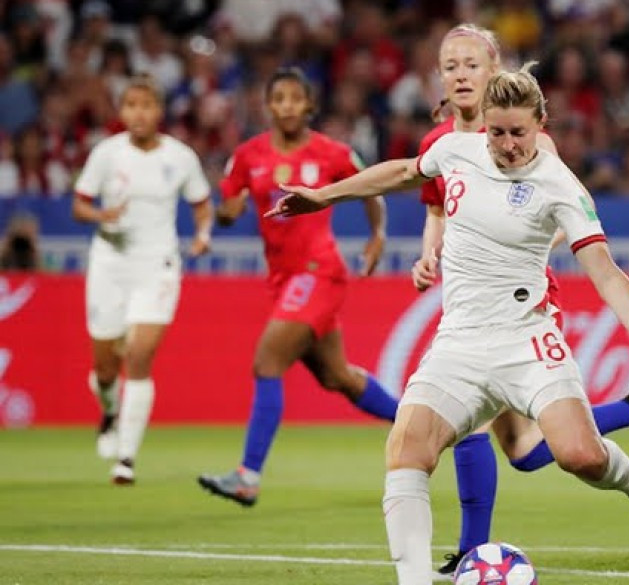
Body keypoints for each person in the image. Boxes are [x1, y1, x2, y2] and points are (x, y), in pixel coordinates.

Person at [268, 64, 629, 584]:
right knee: (407, 448)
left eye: (518, 133)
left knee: (579, 456)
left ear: (540, 125)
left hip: (528, 339)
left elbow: (606, 274)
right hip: (459, 342)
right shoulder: (458, 152)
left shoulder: (559, 185)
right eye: (496, 131)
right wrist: (325, 196)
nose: (506, 144)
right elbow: (403, 172)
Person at [414, 23, 629, 577]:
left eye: (472, 64)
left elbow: (562, 216)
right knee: (520, 450)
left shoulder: (530, 142)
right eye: (451, 66)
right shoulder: (439, 145)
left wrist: (521, 242)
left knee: (469, 423)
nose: (461, 74)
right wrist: (431, 255)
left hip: (524, 302)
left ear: (496, 72)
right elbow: (438, 209)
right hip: (470, 300)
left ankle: (472, 552)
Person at [197, 68, 399, 507]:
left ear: (309, 105)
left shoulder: (333, 152)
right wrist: (228, 213)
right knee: (338, 377)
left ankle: (247, 475)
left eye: (295, 98)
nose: (287, 105)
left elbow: (374, 190)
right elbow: (229, 206)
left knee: (267, 361)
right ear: (267, 106)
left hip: (319, 271)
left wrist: (377, 234)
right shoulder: (248, 156)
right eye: (279, 98)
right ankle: (428, 425)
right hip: (285, 279)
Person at [72, 74, 214, 485]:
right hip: (109, 264)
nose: (138, 113)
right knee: (104, 368)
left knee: (138, 353)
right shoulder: (106, 154)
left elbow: (202, 206)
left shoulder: (181, 157)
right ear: (121, 111)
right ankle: (110, 410)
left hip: (158, 266)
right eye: (131, 105)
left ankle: (127, 458)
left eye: (146, 105)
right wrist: (101, 217)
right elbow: (80, 204)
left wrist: (203, 236)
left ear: (159, 111)